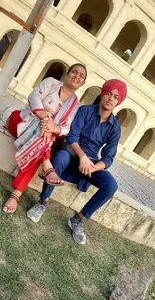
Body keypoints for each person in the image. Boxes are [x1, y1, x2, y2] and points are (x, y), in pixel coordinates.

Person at [27, 79, 127, 244]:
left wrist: (93, 168)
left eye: (115, 97)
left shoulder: (114, 127)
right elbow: (72, 135)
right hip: (71, 150)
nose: (110, 98)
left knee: (111, 185)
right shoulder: (85, 111)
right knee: (60, 158)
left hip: (90, 163)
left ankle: (78, 219)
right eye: (108, 93)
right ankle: (43, 202)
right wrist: (82, 157)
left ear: (118, 102)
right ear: (102, 94)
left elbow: (109, 157)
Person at [2, 63, 87, 214]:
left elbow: (67, 127)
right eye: (74, 72)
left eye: (81, 76)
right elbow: (34, 96)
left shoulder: (76, 106)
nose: (76, 76)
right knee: (44, 139)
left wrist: (54, 128)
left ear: (83, 83)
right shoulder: (51, 83)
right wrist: (44, 117)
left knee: (40, 145)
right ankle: (46, 166)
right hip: (21, 123)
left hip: (42, 139)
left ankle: (17, 194)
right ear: (67, 74)